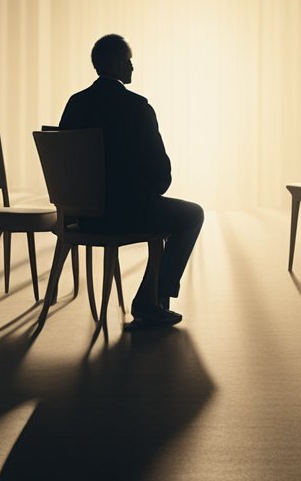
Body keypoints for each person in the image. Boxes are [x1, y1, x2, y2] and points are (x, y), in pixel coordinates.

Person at [60, 34, 204, 327]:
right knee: (191, 215)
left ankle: (151, 299)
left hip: (81, 218)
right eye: (128, 61)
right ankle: (153, 299)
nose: (132, 68)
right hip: (126, 216)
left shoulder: (75, 104)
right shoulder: (136, 107)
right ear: (115, 63)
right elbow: (161, 174)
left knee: (164, 214)